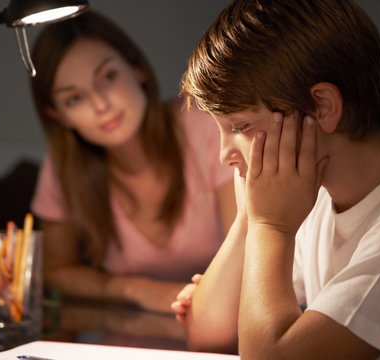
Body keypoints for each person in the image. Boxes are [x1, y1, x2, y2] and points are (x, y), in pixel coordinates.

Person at [171, 0, 380, 359]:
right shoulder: (308, 196)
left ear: (322, 107)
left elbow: (271, 355)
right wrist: (250, 219)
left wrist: (271, 226)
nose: (224, 156)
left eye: (239, 127)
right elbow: (207, 331)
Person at [29, 10, 237, 315]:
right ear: (58, 115)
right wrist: (137, 290)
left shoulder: (206, 127)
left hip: (221, 328)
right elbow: (56, 272)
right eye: (74, 98)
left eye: (108, 77)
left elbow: (250, 255)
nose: (101, 105)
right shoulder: (64, 169)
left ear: (136, 68)